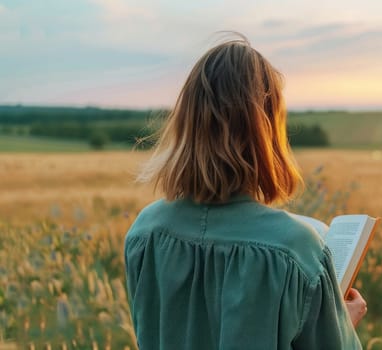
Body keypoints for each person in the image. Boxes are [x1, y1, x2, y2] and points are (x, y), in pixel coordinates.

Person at [124, 35, 368, 349]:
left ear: (187, 121)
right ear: (267, 129)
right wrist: (342, 327)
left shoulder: (145, 233)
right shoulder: (296, 249)